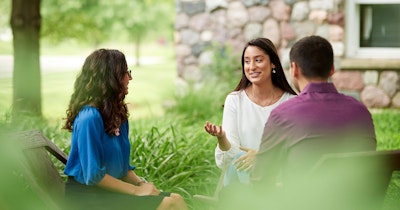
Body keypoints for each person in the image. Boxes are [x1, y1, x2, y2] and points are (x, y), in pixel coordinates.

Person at [249, 35, 377, 209]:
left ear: (294, 69)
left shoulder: (283, 114)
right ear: (332, 69)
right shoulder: (361, 112)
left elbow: (261, 180)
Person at [62, 49, 187, 210]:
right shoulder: (89, 118)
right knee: (168, 204)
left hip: (110, 192)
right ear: (111, 78)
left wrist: (143, 185)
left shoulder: (118, 115)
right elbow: (93, 175)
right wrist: (137, 191)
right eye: (125, 72)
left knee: (176, 199)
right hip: (87, 198)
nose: (130, 77)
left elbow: (124, 169)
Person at [204, 38, 297, 186]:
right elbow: (227, 161)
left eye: (258, 60)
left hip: (279, 180)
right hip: (240, 180)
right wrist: (222, 139)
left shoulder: (291, 102)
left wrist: (261, 156)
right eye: (247, 61)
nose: (251, 67)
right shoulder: (235, 100)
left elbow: (294, 153)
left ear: (273, 63)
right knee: (241, 158)